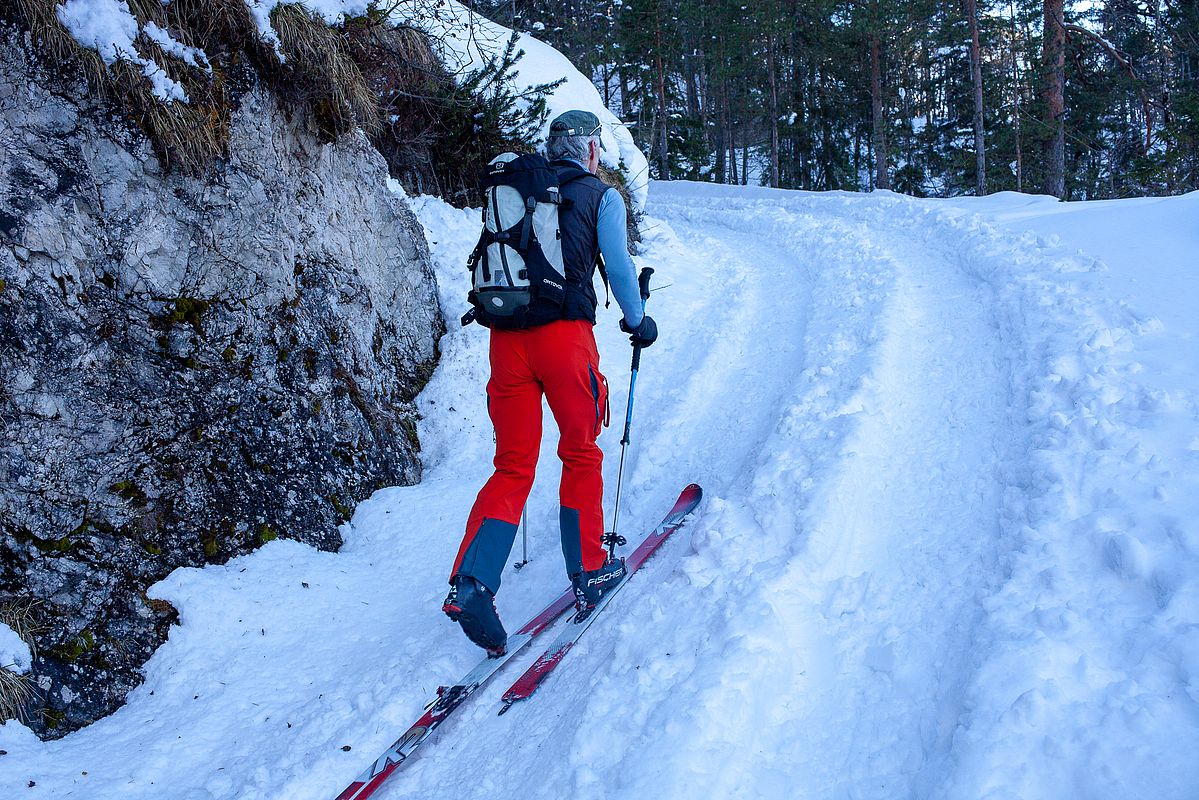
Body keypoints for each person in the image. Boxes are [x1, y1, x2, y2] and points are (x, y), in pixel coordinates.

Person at [442, 110, 658, 655]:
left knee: (513, 464)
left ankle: (471, 582)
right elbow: (620, 266)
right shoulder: (599, 195)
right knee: (580, 452)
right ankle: (588, 569)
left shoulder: (520, 185)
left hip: (507, 341)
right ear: (589, 150)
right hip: (564, 342)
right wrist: (637, 321)